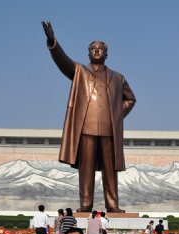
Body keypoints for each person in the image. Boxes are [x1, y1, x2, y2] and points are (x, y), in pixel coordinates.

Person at [41, 21, 136, 213]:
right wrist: (52, 41)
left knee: (111, 170)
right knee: (86, 169)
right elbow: (62, 61)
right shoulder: (79, 72)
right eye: (93, 48)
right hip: (86, 127)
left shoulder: (118, 78)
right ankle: (86, 203)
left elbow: (131, 99)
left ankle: (112, 204)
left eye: (101, 48)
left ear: (107, 53)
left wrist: (117, 114)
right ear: (88, 53)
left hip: (109, 129)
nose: (97, 50)